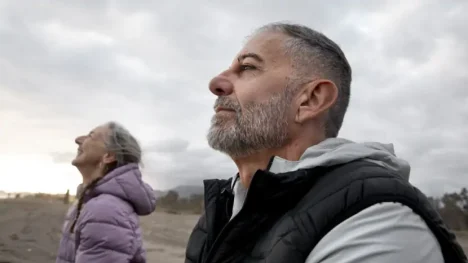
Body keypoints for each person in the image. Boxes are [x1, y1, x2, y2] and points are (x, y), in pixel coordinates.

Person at [185, 22, 467, 263]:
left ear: (310, 100)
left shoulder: (376, 223)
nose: (216, 83)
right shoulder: (225, 204)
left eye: (247, 67)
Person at [56, 121, 157, 263]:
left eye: (90, 136)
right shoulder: (92, 202)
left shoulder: (105, 209)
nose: (78, 140)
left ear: (109, 156)